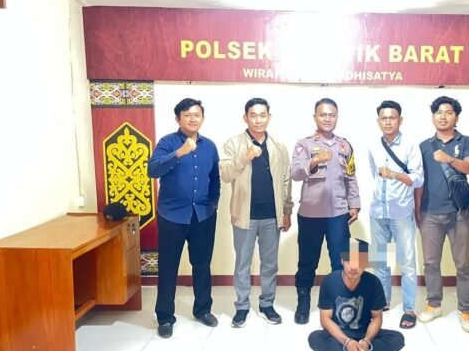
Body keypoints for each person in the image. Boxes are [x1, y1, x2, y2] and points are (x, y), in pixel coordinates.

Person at [148, 98, 220, 338]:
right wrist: (179, 153)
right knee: (168, 267)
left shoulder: (210, 146)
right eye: (187, 115)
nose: (192, 119)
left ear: (202, 118)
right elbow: (153, 170)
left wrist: (214, 203)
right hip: (172, 216)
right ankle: (165, 317)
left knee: (202, 265)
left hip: (203, 215)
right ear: (178, 119)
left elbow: (214, 178)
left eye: (196, 114)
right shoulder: (168, 142)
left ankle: (203, 310)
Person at [220, 98, 293, 328]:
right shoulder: (233, 144)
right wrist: (246, 156)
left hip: (272, 216)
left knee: (270, 264)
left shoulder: (279, 147)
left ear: (269, 117)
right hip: (244, 216)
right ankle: (242, 307)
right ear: (245, 117)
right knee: (243, 263)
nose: (258, 120)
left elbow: (286, 181)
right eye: (253, 115)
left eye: (262, 115)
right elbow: (226, 174)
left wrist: (287, 211)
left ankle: (267, 304)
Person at [290, 98, 361, 324]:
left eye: (332, 115)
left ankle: (340, 305)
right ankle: (303, 303)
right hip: (310, 214)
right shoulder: (304, 145)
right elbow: (295, 173)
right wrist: (314, 161)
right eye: (323, 114)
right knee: (307, 262)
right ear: (315, 117)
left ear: (337, 117)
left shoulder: (345, 146)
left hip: (338, 214)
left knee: (340, 262)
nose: (327, 118)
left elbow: (351, 177)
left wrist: (354, 203)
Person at [415, 96, 469, 332]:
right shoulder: (423, 146)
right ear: (433, 116)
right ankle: (434, 304)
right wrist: (417, 210)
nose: (443, 116)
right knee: (430, 262)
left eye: (448, 112)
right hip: (430, 213)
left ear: (456, 117)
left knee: (463, 264)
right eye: (438, 112)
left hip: (458, 213)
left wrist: (450, 159)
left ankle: (466, 310)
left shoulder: (466, 142)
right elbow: (418, 182)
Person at [368, 100, 423, 329]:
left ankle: (409, 309)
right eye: (384, 118)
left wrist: (395, 174)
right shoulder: (373, 145)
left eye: (392, 117)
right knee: (380, 261)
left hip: (401, 213)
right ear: (378, 121)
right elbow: (374, 175)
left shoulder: (410, 145)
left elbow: (418, 179)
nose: (388, 122)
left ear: (400, 120)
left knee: (407, 263)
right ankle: (383, 301)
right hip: (377, 212)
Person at [308, 239, 405, 351]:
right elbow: (325, 320)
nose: (354, 267)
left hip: (364, 333)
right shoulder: (329, 282)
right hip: (339, 335)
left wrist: (366, 341)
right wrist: (347, 342)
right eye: (349, 261)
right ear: (342, 261)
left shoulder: (374, 282)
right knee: (315, 339)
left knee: (397, 339)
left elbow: (377, 318)